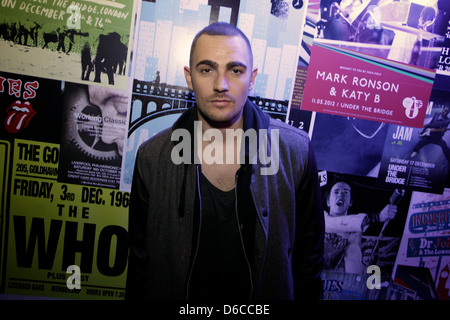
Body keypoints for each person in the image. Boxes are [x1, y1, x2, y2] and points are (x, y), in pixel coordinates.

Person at [126, 22, 324, 300]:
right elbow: (139, 265)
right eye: (207, 69)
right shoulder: (152, 156)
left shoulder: (295, 152)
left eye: (235, 70)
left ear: (252, 78)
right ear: (189, 77)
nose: (221, 84)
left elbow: (308, 266)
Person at [323, 180, 397, 274]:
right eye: (336, 192)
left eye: (345, 192)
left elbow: (352, 263)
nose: (340, 195)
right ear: (328, 201)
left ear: (351, 202)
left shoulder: (355, 232)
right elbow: (337, 223)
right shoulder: (319, 218)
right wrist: (378, 217)